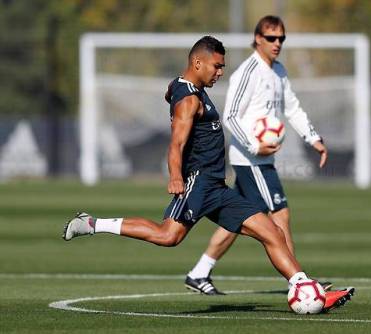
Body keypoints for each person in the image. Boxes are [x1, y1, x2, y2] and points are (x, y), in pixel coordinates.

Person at [62, 35, 352, 311]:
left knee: (271, 230)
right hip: (197, 184)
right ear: (198, 63)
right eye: (217, 66)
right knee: (169, 236)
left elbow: (171, 90)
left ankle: (306, 288)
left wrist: (174, 89)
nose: (220, 72)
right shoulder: (190, 101)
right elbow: (175, 144)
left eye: (223, 66)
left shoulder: (187, 88)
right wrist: (175, 176)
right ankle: (92, 223)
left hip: (218, 187)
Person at [184, 16, 354, 303]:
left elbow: (293, 108)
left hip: (262, 160)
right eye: (271, 38)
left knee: (237, 219)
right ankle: (301, 286)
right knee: (280, 217)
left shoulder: (279, 71)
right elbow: (230, 116)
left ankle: (200, 272)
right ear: (258, 38)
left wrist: (313, 138)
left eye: (282, 39)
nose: (277, 44)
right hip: (250, 159)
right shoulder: (248, 72)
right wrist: (254, 145)